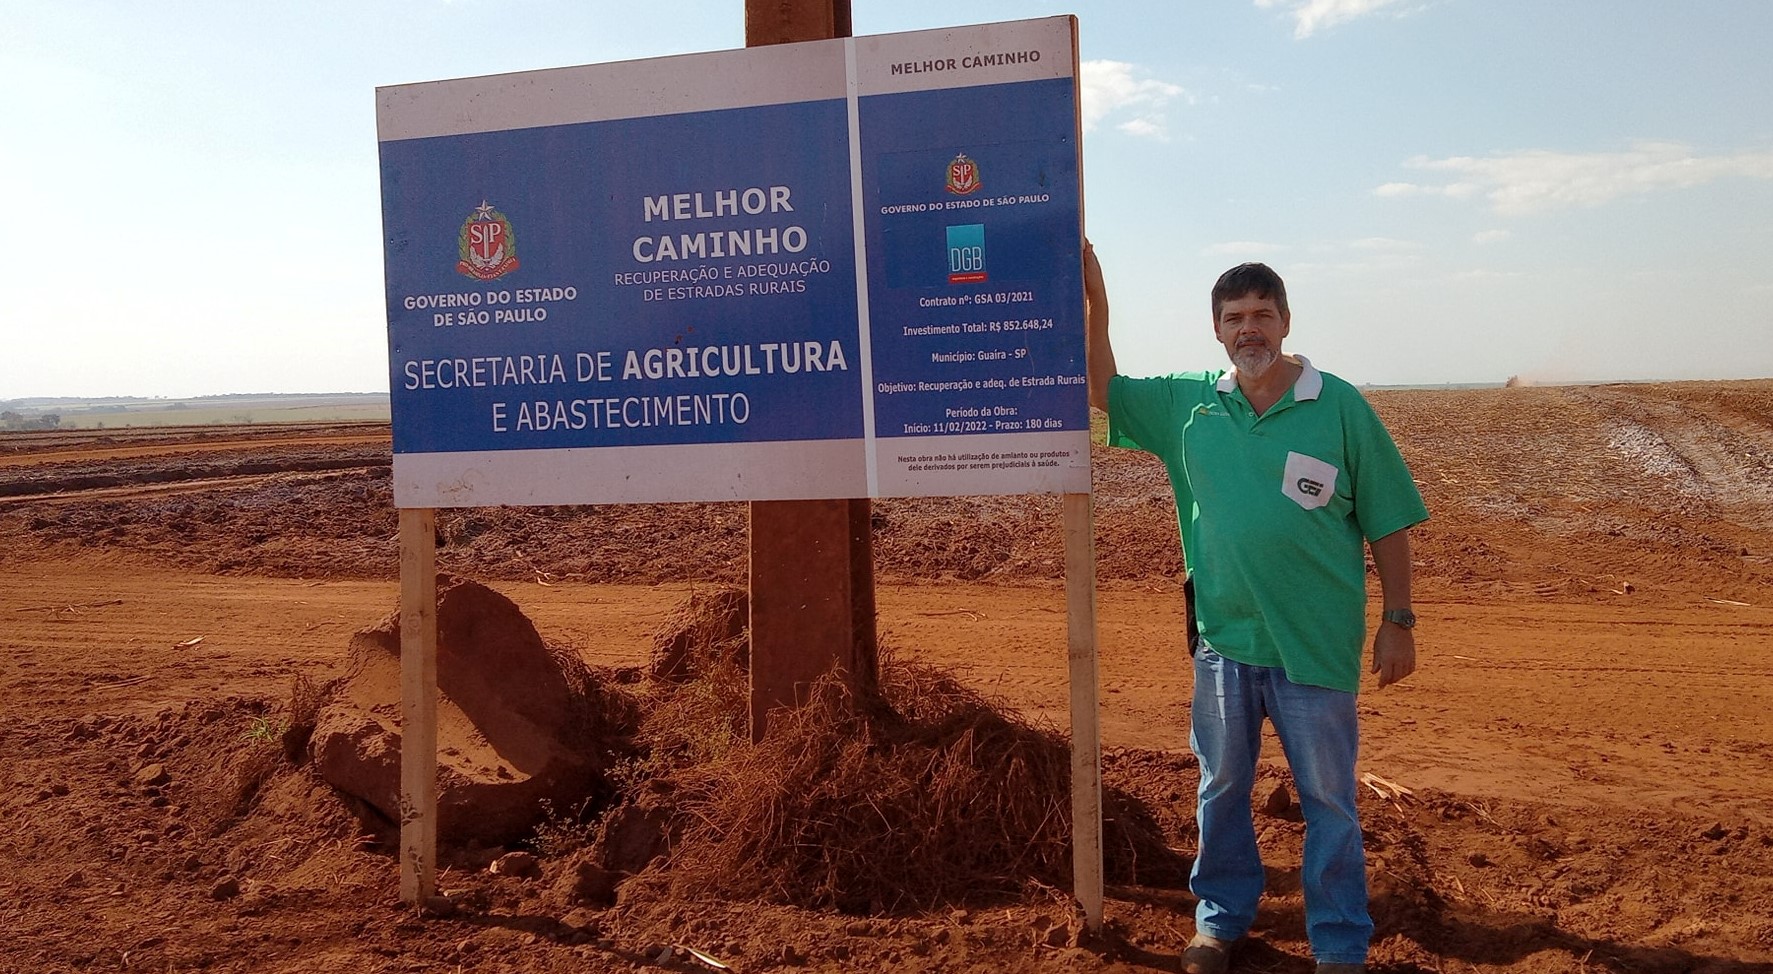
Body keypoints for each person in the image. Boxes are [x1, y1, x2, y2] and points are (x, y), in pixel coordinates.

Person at [1083, 241, 1427, 974]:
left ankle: (1338, 946)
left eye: (1262, 315)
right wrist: (1097, 304)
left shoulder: (1338, 406)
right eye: (1234, 317)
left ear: (1285, 322)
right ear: (1215, 329)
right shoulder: (1189, 405)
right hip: (1223, 647)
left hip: (1315, 648)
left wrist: (1397, 621)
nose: (1250, 330)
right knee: (1221, 789)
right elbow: (1100, 385)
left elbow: (1388, 518)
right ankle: (1220, 923)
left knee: (1328, 801)